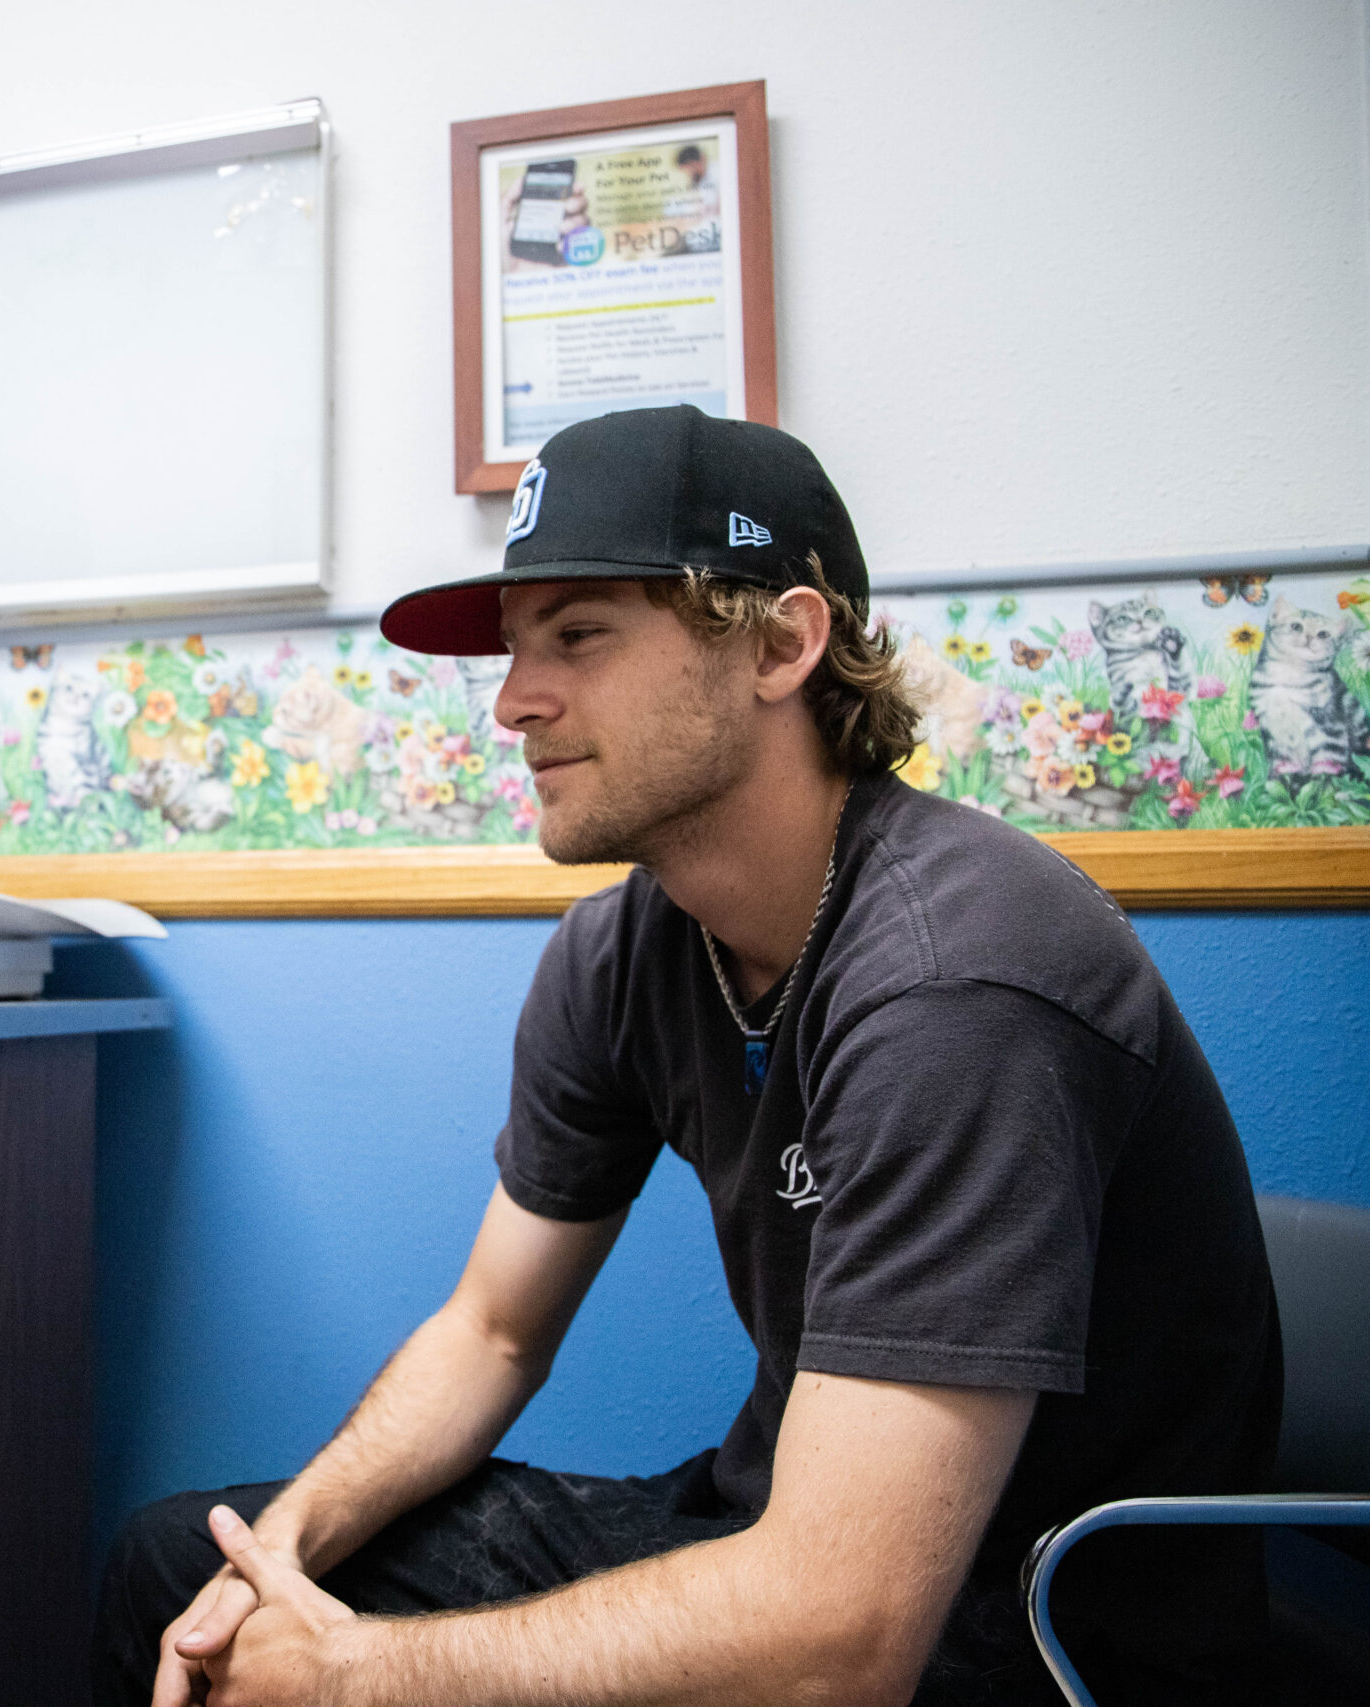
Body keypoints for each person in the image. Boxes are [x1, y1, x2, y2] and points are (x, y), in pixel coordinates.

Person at [95, 405, 1278, 1706]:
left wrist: (363, 1670)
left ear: (780, 642)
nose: (511, 700)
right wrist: (281, 1556)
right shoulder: (621, 953)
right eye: (513, 646)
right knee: (183, 1575)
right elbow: (491, 1330)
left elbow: (843, 1634)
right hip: (784, 1541)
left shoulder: (960, 979)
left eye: (581, 634)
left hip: (1032, 1627)